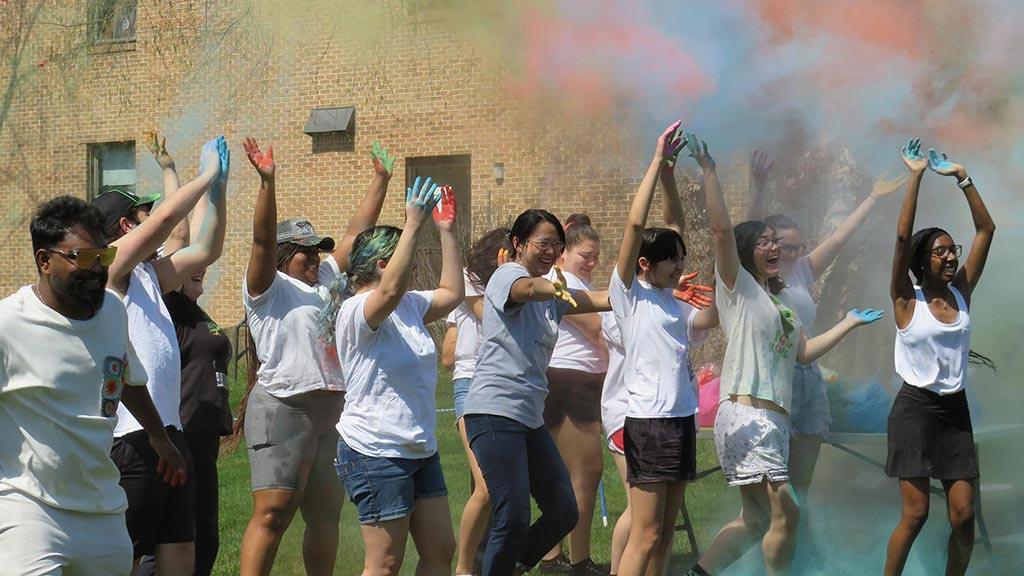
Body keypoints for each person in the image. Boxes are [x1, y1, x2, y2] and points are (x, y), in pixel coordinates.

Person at [686, 134, 883, 576]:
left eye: (777, 241)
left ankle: (697, 573)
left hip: (775, 419)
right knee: (787, 511)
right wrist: (711, 172)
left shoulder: (783, 307)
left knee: (756, 520)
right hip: (748, 418)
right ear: (747, 254)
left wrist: (849, 322)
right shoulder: (739, 291)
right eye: (764, 242)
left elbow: (805, 354)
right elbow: (723, 232)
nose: (774, 247)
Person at [0, 196, 186, 575]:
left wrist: (158, 438)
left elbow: (126, 377)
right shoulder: (8, 325)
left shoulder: (114, 312)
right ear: (44, 260)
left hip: (103, 511)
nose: (97, 268)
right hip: (30, 510)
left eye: (102, 256)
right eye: (82, 258)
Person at [238, 137, 395, 576]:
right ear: (286, 254)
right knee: (273, 512)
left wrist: (380, 180)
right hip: (285, 406)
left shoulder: (324, 278)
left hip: (333, 411)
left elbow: (354, 234)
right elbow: (262, 240)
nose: (317, 256)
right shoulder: (267, 289)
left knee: (325, 515)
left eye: (317, 249)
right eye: (306, 249)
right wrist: (267, 182)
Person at [98, 134, 228, 576]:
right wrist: (205, 173)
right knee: (126, 558)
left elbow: (206, 248)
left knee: (180, 553)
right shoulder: (110, 266)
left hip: (172, 435)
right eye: (142, 214)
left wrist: (220, 191)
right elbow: (172, 218)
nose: (151, 218)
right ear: (123, 228)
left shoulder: (151, 274)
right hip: (132, 438)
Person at [746, 149, 907, 506]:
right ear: (768, 244)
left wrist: (873, 197)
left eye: (798, 247)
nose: (791, 253)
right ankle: (773, 540)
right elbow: (744, 233)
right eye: (784, 246)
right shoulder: (755, 280)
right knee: (776, 485)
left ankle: (798, 545)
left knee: (800, 484)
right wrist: (757, 186)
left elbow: (839, 238)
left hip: (808, 380)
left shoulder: (801, 270)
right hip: (773, 383)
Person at [463, 208, 612, 576]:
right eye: (543, 244)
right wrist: (554, 286)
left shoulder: (554, 293)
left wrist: (659, 288)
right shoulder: (507, 275)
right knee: (512, 516)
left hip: (528, 417)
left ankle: (513, 566)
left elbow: (603, 299)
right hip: (494, 412)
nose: (550, 252)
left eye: (556, 245)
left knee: (563, 508)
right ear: (518, 244)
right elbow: (525, 290)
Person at [331, 180, 462, 575]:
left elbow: (452, 293)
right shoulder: (356, 310)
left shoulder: (409, 304)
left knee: (441, 550)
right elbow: (386, 294)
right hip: (375, 449)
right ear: (385, 266)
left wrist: (446, 231)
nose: (417, 264)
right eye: (407, 256)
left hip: (419, 447)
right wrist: (412, 223)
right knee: (385, 562)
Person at [883, 139, 995, 576]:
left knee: (964, 517)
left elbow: (986, 231)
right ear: (923, 262)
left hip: (955, 411)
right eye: (941, 252)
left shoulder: (961, 291)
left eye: (953, 251)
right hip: (914, 410)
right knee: (915, 515)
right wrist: (916, 177)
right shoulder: (904, 300)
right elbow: (901, 238)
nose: (951, 257)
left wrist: (962, 177)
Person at [611, 123, 719, 576]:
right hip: (650, 423)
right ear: (643, 264)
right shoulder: (629, 295)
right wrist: (656, 162)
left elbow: (672, 225)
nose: (680, 264)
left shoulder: (674, 303)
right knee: (647, 533)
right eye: (671, 258)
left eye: (680, 257)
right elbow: (638, 225)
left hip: (681, 420)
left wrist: (673, 178)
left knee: (665, 533)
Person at [539, 213, 610, 576]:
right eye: (586, 255)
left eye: (597, 255)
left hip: (574, 381)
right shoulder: (561, 283)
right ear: (563, 252)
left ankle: (553, 558)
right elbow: (598, 330)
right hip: (571, 382)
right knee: (585, 473)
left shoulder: (572, 281)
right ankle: (577, 561)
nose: (593, 262)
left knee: (565, 475)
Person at [449, 227, 511, 576]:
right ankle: (462, 569)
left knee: (504, 488)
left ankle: (491, 563)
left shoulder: (517, 284)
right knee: (487, 486)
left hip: (505, 386)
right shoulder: (468, 280)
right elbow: (493, 318)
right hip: (472, 384)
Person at [162, 266, 232, 576]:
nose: (200, 267)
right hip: (182, 433)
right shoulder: (168, 307)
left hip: (205, 435)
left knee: (205, 536)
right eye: (191, 262)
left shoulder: (195, 310)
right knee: (178, 536)